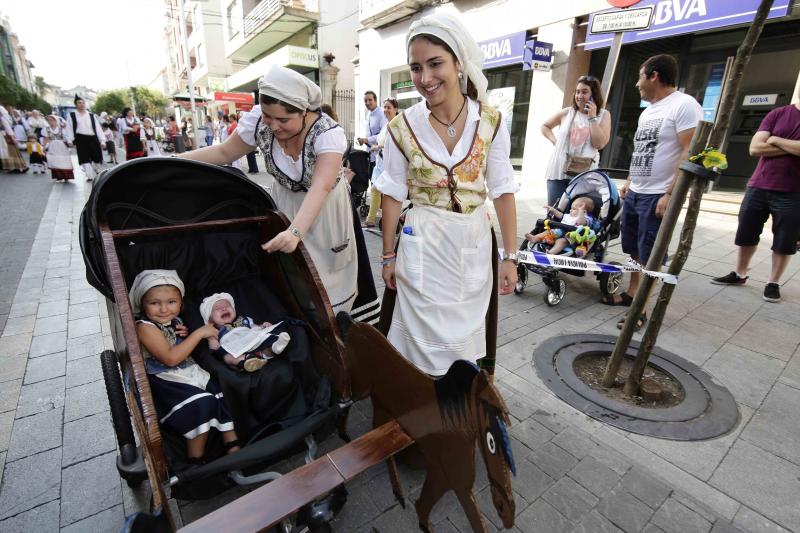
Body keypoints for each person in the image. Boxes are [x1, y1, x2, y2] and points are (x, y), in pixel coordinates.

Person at [375, 12, 519, 376]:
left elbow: (502, 190)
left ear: (458, 63)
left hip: (472, 238)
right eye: (415, 67)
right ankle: (421, 406)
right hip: (422, 240)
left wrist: (510, 257)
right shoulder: (400, 127)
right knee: (419, 343)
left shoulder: (491, 121)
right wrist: (388, 255)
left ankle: (458, 407)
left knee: (464, 342)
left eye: (435, 63)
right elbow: (391, 195)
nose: (425, 78)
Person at [181, 64, 377, 316]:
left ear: (304, 112)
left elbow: (321, 186)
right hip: (285, 204)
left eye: (283, 119)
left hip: (325, 211)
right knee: (291, 280)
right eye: (267, 116)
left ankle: (335, 335)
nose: (273, 126)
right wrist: (174, 159)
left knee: (329, 281)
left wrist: (295, 231)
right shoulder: (258, 122)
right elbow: (224, 152)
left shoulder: (327, 133)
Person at [603, 54, 703, 331]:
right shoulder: (649, 111)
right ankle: (634, 295)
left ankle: (641, 310)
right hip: (637, 191)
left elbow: (689, 151)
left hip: (658, 194)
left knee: (651, 254)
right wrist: (630, 180)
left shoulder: (684, 106)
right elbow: (643, 149)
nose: (637, 84)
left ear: (654, 76)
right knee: (634, 249)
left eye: (640, 76)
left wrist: (671, 193)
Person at [129, 270, 240, 463]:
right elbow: (170, 359)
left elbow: (177, 344)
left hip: (188, 372)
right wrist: (197, 334)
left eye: (171, 302)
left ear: (180, 303)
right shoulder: (144, 327)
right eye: (154, 303)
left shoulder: (175, 322)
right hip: (166, 380)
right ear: (143, 304)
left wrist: (183, 335)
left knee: (220, 391)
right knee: (201, 403)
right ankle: (195, 460)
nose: (164, 309)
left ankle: (232, 444)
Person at [711, 99, 800, 303]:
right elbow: (755, 148)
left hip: (794, 191)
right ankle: (740, 273)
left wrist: (775, 139)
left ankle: (773, 283)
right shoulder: (777, 113)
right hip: (759, 185)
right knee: (746, 232)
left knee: (784, 240)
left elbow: (767, 145)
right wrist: (792, 146)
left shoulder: (776, 126)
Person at [541, 75, 611, 206]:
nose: (579, 96)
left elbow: (599, 144)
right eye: (577, 92)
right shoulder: (567, 112)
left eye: (584, 92)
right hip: (558, 171)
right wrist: (555, 142)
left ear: (593, 95)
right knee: (555, 213)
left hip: (585, 175)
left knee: (578, 215)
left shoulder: (603, 115)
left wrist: (592, 117)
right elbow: (545, 126)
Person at [200, 293, 291, 373]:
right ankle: (246, 361)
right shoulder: (213, 331)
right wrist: (211, 338)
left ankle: (273, 349)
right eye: (217, 308)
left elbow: (255, 327)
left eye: (227, 306)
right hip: (234, 348)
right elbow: (214, 348)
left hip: (251, 340)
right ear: (210, 320)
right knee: (226, 356)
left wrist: (262, 326)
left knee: (264, 335)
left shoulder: (244, 320)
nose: (223, 309)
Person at [363, 98, 399, 228]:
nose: (386, 110)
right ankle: (379, 220)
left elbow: (394, 144)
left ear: (395, 109)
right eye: (384, 107)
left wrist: (377, 147)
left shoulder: (396, 124)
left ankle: (373, 220)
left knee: (376, 190)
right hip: (380, 163)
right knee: (378, 191)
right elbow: (381, 141)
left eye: (389, 107)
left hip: (389, 165)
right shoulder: (386, 125)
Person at [524, 197, 595, 255]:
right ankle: (535, 238)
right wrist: (553, 210)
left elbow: (581, 223)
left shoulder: (586, 218)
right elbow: (561, 215)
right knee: (548, 232)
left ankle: (551, 252)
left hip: (571, 237)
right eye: (571, 208)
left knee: (561, 241)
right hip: (559, 232)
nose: (570, 210)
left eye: (573, 209)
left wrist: (581, 211)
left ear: (584, 212)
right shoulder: (569, 216)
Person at [65, 95, 105, 181]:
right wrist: (70, 139)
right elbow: (69, 128)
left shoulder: (91, 115)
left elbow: (97, 128)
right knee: (84, 158)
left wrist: (102, 140)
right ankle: (90, 176)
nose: (82, 104)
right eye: (79, 103)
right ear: (76, 105)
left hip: (93, 138)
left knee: (97, 157)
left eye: (83, 103)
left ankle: (96, 168)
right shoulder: (72, 115)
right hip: (81, 139)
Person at [42, 115, 74, 182]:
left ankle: (66, 177)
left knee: (64, 161)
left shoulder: (62, 129)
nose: (50, 122)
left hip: (62, 147)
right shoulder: (46, 129)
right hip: (52, 147)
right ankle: (58, 177)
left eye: (52, 120)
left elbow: (67, 138)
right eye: (49, 120)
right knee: (55, 161)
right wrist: (44, 147)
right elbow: (46, 139)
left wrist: (70, 143)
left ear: (56, 121)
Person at [0, 104, 29, 173]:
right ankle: (16, 166)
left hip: (4, 136)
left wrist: (12, 136)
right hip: (5, 135)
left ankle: (15, 167)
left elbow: (7, 127)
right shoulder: (6, 117)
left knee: (9, 151)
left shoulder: (2, 118)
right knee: (8, 151)